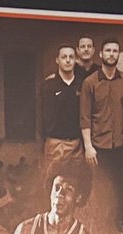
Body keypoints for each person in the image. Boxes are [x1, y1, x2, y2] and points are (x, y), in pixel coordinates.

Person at [79, 38, 123, 232]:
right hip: (98, 145)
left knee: (121, 185)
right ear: (101, 54)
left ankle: (119, 221)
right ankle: (101, 224)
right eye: (108, 51)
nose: (112, 54)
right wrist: (88, 146)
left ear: (119, 54)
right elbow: (85, 117)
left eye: (115, 51)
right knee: (100, 186)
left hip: (120, 144)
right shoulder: (90, 83)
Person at [41, 45, 84, 183]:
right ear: (57, 60)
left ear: (76, 60)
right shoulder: (49, 85)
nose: (68, 60)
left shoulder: (82, 84)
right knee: (52, 182)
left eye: (71, 57)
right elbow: (41, 114)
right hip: (56, 142)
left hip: (77, 143)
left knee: (75, 183)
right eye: (64, 57)